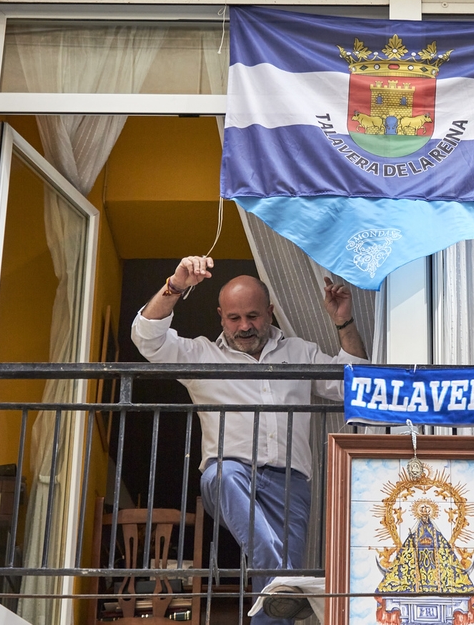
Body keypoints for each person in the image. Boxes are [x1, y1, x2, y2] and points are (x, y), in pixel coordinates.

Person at [131, 255, 368, 624]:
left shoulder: (300, 353)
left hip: (290, 487)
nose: (244, 326)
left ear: (270, 312)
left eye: (253, 316)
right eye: (234, 318)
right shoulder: (201, 355)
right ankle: (285, 577)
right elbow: (147, 337)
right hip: (230, 479)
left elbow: (355, 386)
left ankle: (280, 583)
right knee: (225, 477)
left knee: (274, 601)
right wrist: (175, 286)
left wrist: (344, 321)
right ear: (220, 317)